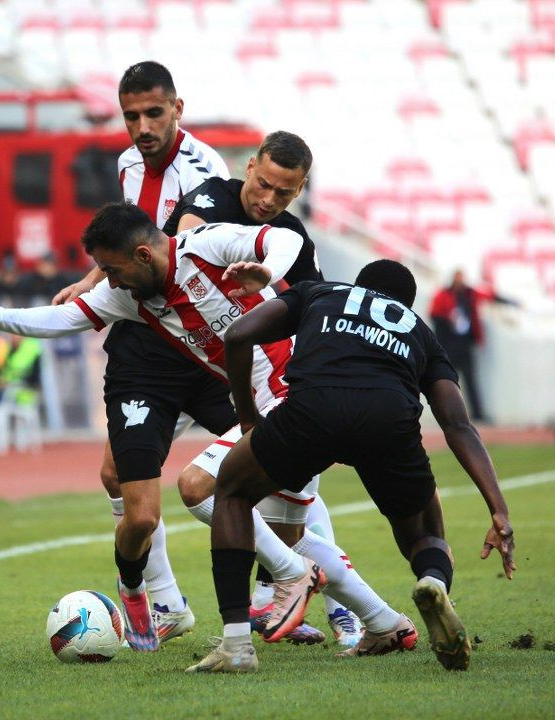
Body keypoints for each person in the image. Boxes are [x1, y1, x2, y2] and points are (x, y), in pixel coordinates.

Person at [0, 203, 405, 654]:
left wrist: (268, 272)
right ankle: (386, 622)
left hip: (296, 394)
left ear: (144, 256)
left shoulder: (205, 247)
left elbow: (285, 239)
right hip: (282, 406)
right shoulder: (128, 296)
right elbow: (66, 317)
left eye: (112, 269)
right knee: (293, 532)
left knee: (199, 486)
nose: (108, 281)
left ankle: (290, 575)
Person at [187, 260, 516, 674]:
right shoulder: (419, 330)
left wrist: (249, 416)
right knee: (425, 533)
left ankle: (236, 644)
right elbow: (457, 424)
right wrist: (498, 510)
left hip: (313, 410)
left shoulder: (320, 293)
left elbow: (238, 334)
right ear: (406, 304)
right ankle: (432, 582)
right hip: (388, 419)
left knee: (232, 492)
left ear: (357, 285)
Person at [50, 61, 234, 646]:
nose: (143, 126)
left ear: (179, 107)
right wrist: (92, 279)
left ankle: (316, 598)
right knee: (115, 475)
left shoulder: (207, 169)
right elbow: (135, 239)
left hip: (200, 336)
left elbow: (189, 248)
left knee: (278, 459)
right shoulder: (130, 166)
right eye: (132, 115)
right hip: (149, 334)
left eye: (154, 112)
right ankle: (168, 605)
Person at [166, 130, 363, 646]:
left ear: (298, 192)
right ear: (250, 166)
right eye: (265, 184)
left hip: (260, 378)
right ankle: (164, 599)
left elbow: (316, 311)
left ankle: (332, 605)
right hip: (182, 361)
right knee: (130, 475)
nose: (268, 199)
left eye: (284, 192)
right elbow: (183, 249)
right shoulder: (212, 198)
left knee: (281, 502)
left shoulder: (293, 238)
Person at [428, 269, 515, 422]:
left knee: (471, 381)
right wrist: (448, 323)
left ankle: (477, 414)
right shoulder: (443, 295)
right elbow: (435, 315)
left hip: (465, 345)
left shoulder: (469, 294)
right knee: (446, 380)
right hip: (449, 345)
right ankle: (446, 414)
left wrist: (509, 302)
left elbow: (488, 295)